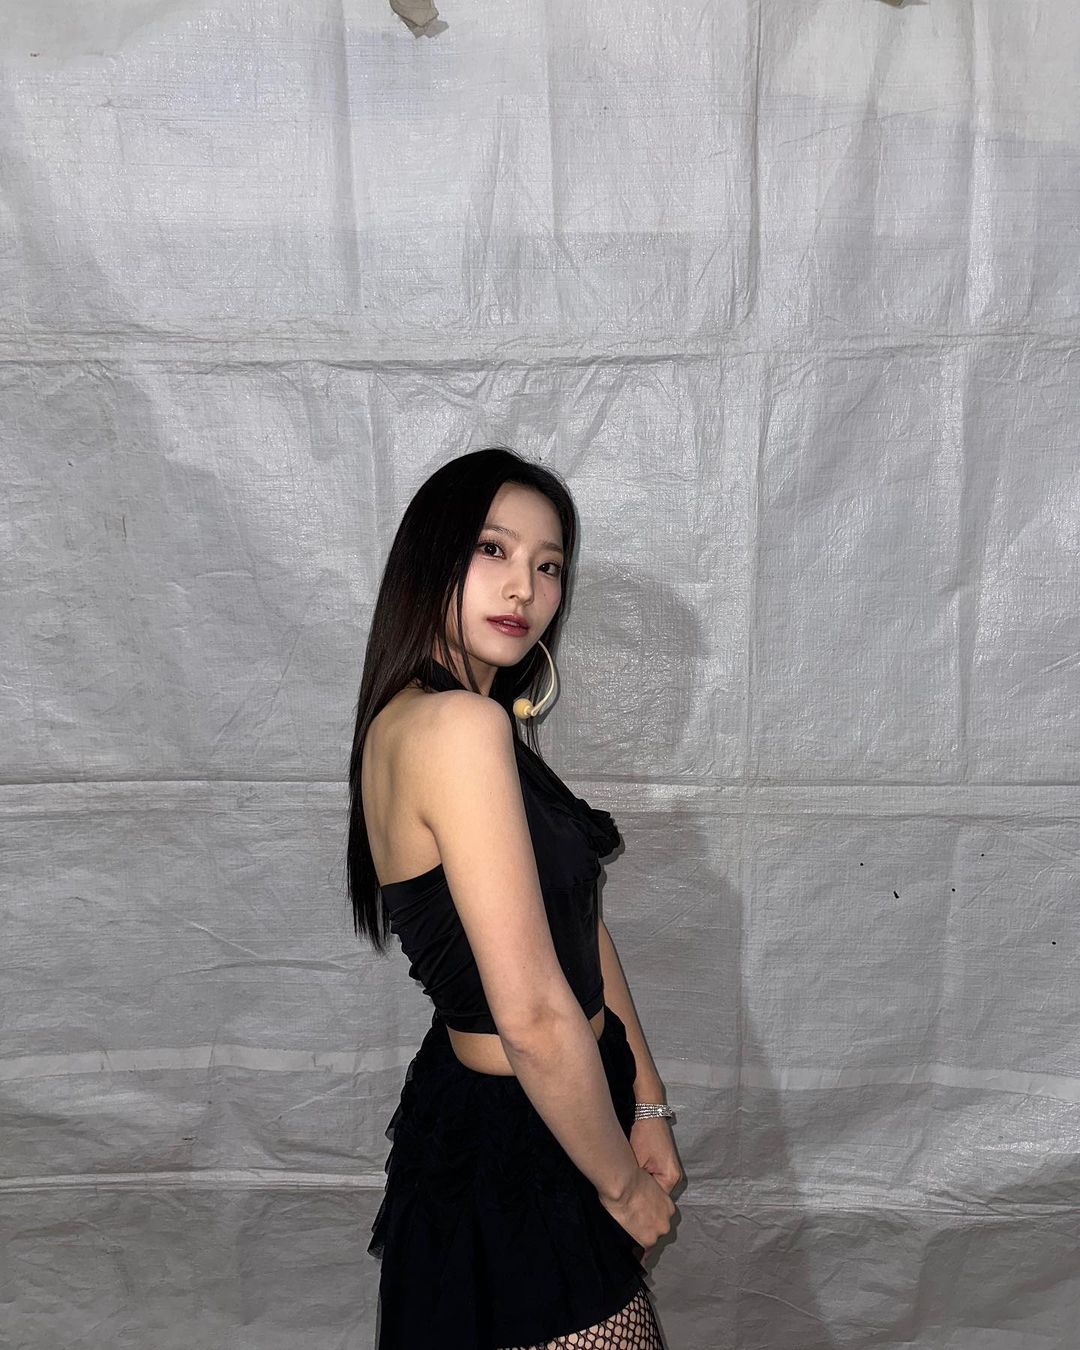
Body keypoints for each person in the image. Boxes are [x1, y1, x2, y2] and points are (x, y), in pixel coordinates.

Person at [346, 447, 681, 1348]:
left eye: (549, 565)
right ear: (431, 558)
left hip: (553, 1112)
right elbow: (531, 1013)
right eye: (492, 549)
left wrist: (644, 1102)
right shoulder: (458, 727)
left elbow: (577, 929)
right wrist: (623, 1187)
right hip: (523, 1138)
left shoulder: (449, 719)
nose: (524, 588)